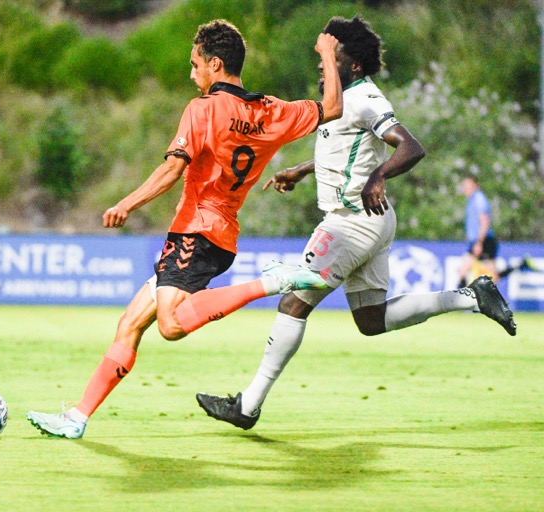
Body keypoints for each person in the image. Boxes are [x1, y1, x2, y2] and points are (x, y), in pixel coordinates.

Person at [196, 15, 517, 431]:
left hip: (350, 222)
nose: (322, 64)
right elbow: (347, 148)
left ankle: (248, 406)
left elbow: (410, 146)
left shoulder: (365, 97)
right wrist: (301, 169)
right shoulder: (342, 98)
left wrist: (379, 176)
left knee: (293, 301)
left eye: (334, 56)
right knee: (371, 321)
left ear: (355, 65)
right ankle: (472, 297)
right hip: (372, 222)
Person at [26, 19, 344, 438]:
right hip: (219, 233)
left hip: (195, 232)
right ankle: (77, 418)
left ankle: (271, 282)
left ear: (215, 64)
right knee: (130, 324)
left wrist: (126, 203)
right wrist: (325, 54)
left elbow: (173, 169)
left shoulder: (204, 109)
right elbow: (333, 108)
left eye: (195, 65)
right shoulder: (272, 110)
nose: (191, 74)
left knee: (170, 325)